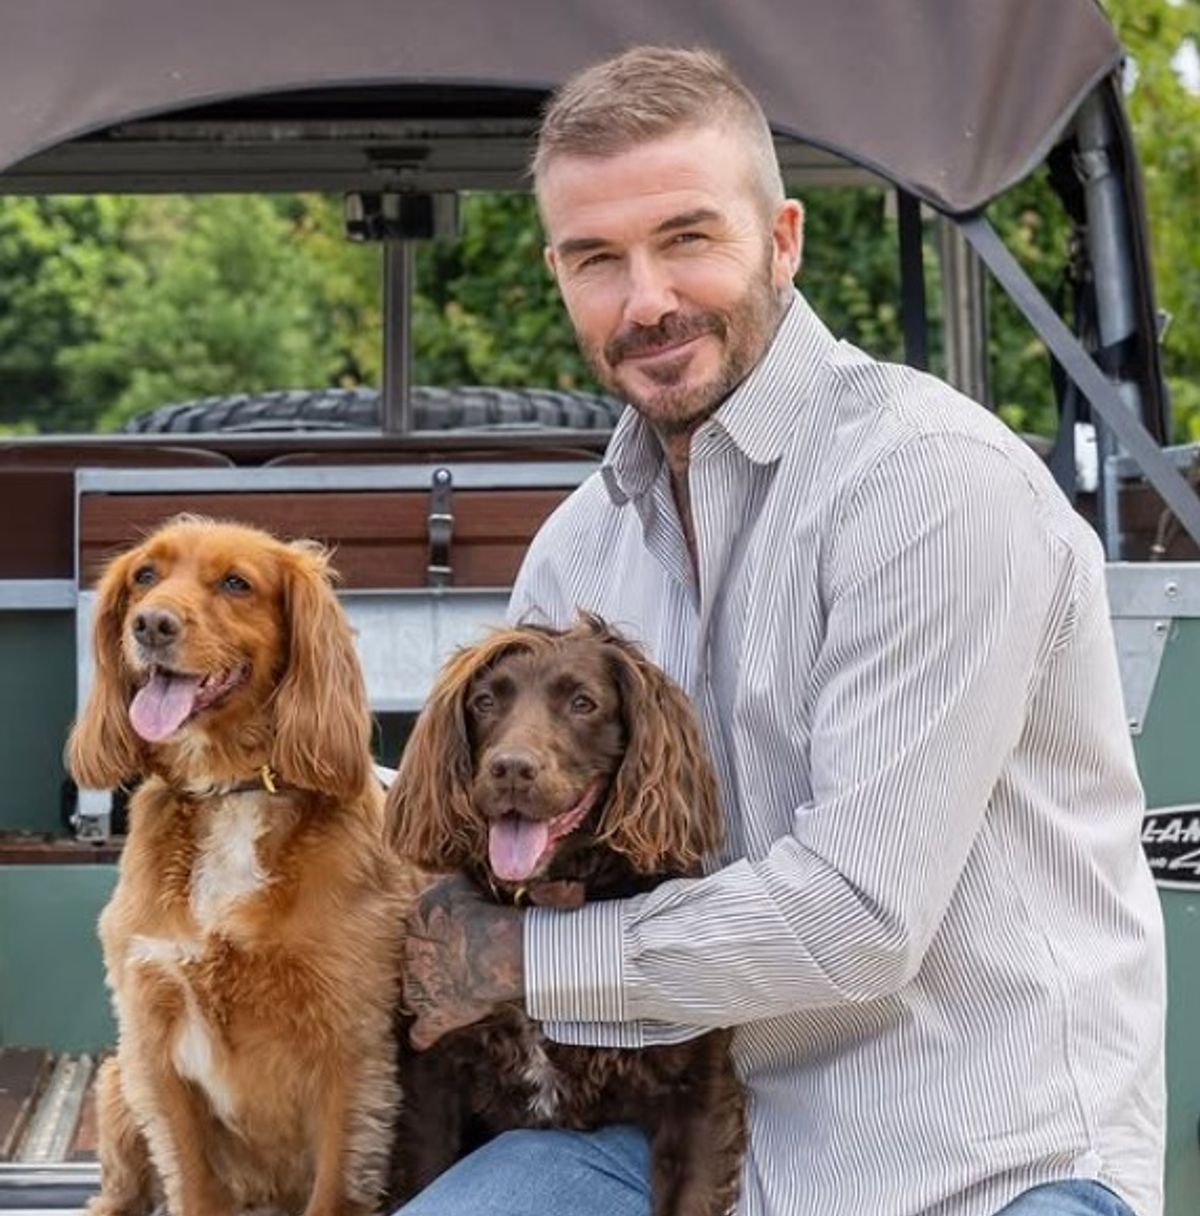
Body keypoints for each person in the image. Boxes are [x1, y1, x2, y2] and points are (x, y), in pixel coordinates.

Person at [397, 46, 1166, 1216]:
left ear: (784, 239)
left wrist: (516, 965)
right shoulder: (576, 549)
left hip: (985, 1166)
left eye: (687, 238)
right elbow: (484, 849)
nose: (645, 299)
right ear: (559, 277)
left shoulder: (929, 487)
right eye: (597, 259)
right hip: (679, 1140)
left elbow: (857, 922)